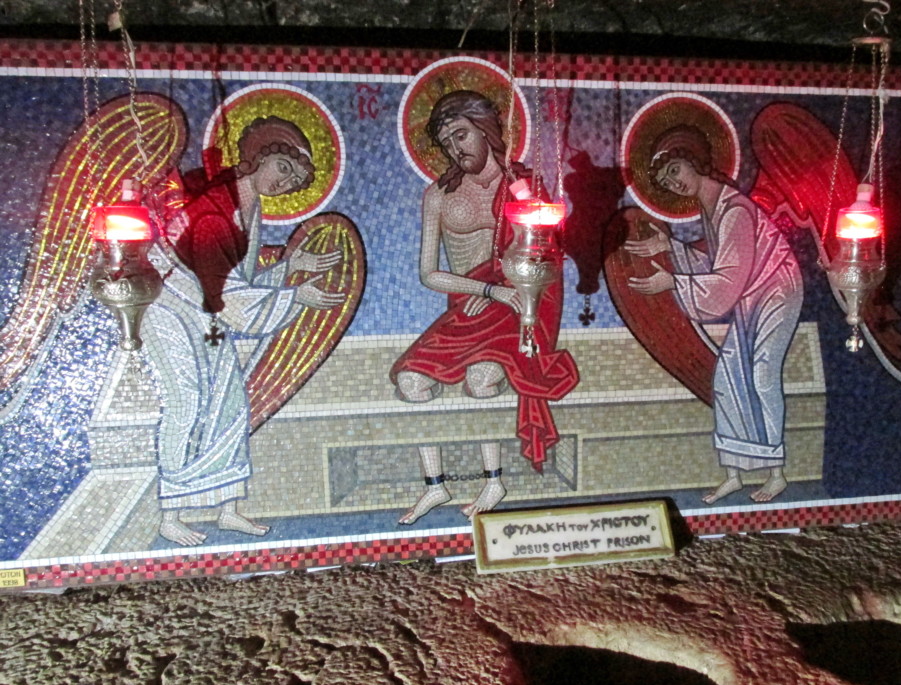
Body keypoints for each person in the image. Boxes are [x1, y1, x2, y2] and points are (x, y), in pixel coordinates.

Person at [145, 116, 345, 546]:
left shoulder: (249, 208)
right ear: (258, 156)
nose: (284, 183)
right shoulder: (216, 211)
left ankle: (228, 508)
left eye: (295, 181)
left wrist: (290, 267)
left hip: (207, 312)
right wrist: (295, 297)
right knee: (186, 402)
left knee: (231, 404)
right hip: (172, 306)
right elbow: (229, 298)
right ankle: (171, 514)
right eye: (283, 167)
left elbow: (238, 281)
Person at [391, 90, 578, 525]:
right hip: (471, 306)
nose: (455, 149)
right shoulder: (438, 195)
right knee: (409, 380)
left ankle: (494, 480)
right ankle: (435, 484)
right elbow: (428, 274)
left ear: (486, 130)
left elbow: (540, 256)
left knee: (481, 377)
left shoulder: (522, 188)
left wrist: (504, 288)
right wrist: (485, 290)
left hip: (517, 304)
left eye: (461, 135)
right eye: (446, 143)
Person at [625, 124, 803, 504]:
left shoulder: (734, 209)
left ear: (692, 159)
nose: (674, 183)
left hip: (777, 289)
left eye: (674, 170)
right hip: (750, 293)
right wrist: (670, 246)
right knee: (726, 378)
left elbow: (726, 282)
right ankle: (735, 474)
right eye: (666, 182)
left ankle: (776, 474)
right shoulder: (713, 205)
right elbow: (719, 266)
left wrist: (673, 282)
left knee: (763, 375)